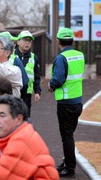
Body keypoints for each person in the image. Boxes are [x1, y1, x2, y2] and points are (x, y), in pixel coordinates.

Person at [0, 95, 59, 180]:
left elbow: (0, 177)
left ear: (18, 119)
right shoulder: (0, 140)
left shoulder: (22, 139)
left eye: (2, 116)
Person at [48, 27, 85, 178]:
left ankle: (69, 168)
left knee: (67, 137)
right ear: (72, 40)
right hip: (78, 101)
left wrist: (50, 86)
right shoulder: (80, 55)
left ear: (58, 41)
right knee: (69, 135)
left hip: (65, 102)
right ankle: (67, 162)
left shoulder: (61, 58)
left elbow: (58, 79)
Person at [15, 30, 41, 118]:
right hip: (14, 89)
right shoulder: (11, 55)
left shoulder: (34, 57)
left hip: (27, 92)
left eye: (29, 41)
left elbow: (37, 76)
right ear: (18, 41)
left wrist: (37, 91)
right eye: (24, 40)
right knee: (13, 113)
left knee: (26, 114)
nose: (27, 43)